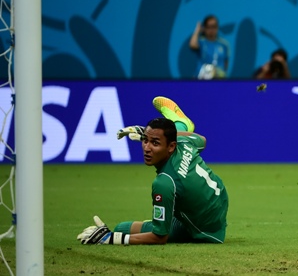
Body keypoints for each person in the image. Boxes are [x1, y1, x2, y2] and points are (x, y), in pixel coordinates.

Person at [77, 96, 229, 245]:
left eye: (155, 143)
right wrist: (151, 135)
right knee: (122, 227)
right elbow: (202, 139)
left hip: (205, 229)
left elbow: (159, 237)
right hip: (219, 200)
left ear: (171, 146)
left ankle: (181, 123)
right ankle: (180, 124)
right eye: (145, 140)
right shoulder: (184, 143)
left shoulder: (164, 182)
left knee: (122, 230)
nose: (147, 148)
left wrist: (112, 238)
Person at [189, 15, 231, 80]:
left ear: (217, 27)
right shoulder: (201, 42)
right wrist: (197, 30)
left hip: (219, 81)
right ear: (204, 28)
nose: (212, 30)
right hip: (201, 79)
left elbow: (225, 64)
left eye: (214, 26)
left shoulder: (224, 45)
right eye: (209, 27)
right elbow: (192, 45)